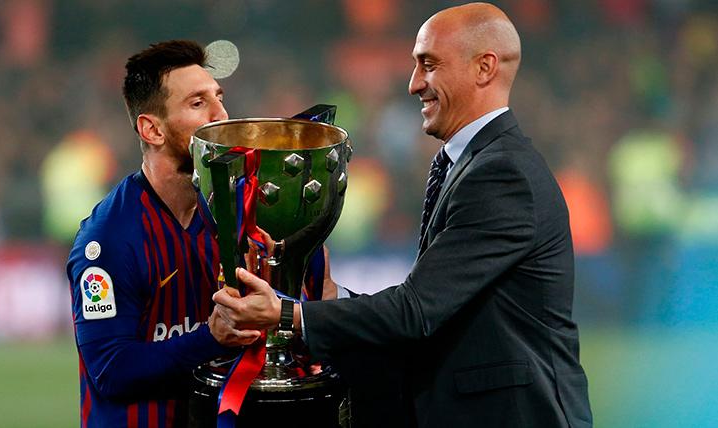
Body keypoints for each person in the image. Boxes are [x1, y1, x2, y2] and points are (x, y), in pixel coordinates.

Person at [212, 3, 593, 427]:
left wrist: (287, 314)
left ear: (484, 68)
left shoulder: (502, 173)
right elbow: (437, 307)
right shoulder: (474, 163)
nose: (414, 84)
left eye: (429, 65)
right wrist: (333, 298)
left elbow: (416, 311)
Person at [66, 40, 259, 428]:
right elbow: (111, 370)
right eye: (198, 103)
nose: (221, 115)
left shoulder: (238, 218)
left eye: (219, 98)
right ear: (152, 129)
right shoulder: (108, 240)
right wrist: (210, 338)